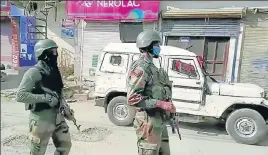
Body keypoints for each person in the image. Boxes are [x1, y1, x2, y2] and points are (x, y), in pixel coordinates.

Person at [16, 39, 72, 155]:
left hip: (57, 117)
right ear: (43, 54)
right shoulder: (33, 72)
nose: (56, 54)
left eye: (56, 51)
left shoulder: (54, 70)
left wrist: (65, 107)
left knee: (65, 146)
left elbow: (59, 92)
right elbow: (20, 95)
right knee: (37, 152)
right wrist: (46, 98)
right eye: (53, 51)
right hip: (41, 119)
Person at [126, 30, 176, 155]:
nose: (159, 48)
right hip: (148, 122)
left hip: (159, 121)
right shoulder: (141, 68)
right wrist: (160, 104)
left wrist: (170, 112)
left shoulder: (153, 68)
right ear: (148, 46)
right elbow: (132, 99)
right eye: (157, 45)